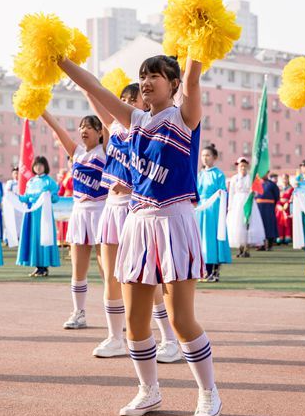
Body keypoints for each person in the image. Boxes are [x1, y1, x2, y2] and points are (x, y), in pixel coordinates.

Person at [58, 52, 222, 416]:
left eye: (155, 77)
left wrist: (197, 38)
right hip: (138, 222)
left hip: (174, 221)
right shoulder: (134, 119)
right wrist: (59, 59)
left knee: (181, 319)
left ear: (173, 84)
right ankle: (149, 390)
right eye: (143, 76)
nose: (146, 83)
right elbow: (94, 87)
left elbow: (194, 79)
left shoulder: (184, 118)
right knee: (135, 320)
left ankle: (208, 393)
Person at [84, 83, 181, 361]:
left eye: (132, 99)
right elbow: (96, 100)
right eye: (123, 99)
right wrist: (83, 88)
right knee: (112, 279)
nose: (125, 103)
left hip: (135, 208)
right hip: (112, 208)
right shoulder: (114, 127)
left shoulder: (147, 130)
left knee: (147, 280)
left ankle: (169, 340)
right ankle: (115, 337)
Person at [41, 111, 107, 330]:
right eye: (81, 127)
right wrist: (41, 110)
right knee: (78, 268)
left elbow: (108, 121)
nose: (84, 130)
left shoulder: (105, 151)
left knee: (106, 268)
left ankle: (118, 311)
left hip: (101, 210)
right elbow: (58, 131)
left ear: (100, 132)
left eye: (90, 126)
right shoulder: (76, 152)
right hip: (80, 212)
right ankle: (79, 313)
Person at [16, 155, 60, 278]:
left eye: (40, 165)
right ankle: (37, 266)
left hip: (43, 214)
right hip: (31, 214)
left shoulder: (49, 181)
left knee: (43, 236)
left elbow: (56, 198)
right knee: (34, 238)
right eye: (36, 165)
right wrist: (15, 197)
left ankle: (44, 266)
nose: (38, 167)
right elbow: (26, 197)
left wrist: (49, 196)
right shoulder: (31, 181)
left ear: (45, 166)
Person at [197, 144, 232, 282]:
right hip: (201, 210)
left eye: (208, 155)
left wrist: (218, 196)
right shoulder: (200, 174)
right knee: (201, 240)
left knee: (212, 239)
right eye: (203, 155)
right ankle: (203, 270)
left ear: (215, 157)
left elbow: (223, 192)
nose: (205, 158)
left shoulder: (218, 174)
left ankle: (214, 271)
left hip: (214, 210)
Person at [227, 157, 265, 257]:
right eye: (241, 166)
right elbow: (231, 193)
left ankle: (246, 249)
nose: (242, 168)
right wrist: (230, 206)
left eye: (244, 166)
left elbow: (257, 192)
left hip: (249, 202)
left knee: (249, 224)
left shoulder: (252, 177)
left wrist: (253, 192)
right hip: (237, 203)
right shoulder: (234, 178)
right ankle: (240, 248)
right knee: (237, 225)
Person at [255, 171, 280, 251]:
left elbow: (276, 196)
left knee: (269, 225)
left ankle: (270, 244)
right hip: (258, 207)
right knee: (259, 225)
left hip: (269, 207)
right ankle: (260, 245)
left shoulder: (272, 184)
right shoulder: (256, 183)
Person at [276, 173, 294, 245]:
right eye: (283, 178)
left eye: (286, 178)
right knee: (279, 222)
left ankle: (287, 238)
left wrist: (288, 203)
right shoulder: (279, 188)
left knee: (287, 221)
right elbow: (276, 198)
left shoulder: (291, 188)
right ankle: (279, 237)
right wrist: (278, 205)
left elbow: (292, 198)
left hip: (287, 207)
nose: (284, 180)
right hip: (279, 207)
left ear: (288, 179)